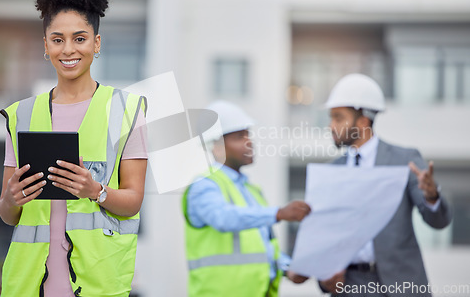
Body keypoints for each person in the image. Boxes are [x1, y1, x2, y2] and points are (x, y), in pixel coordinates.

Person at [0, 0, 148, 296]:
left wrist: (96, 190)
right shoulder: (21, 115)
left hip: (98, 283)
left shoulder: (126, 110)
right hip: (28, 283)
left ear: (96, 43)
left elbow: (134, 200)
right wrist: (11, 198)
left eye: (79, 39)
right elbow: (8, 214)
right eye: (58, 39)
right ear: (46, 45)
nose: (68, 50)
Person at [318, 73, 452, 297]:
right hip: (350, 288)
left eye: (338, 118)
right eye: (331, 118)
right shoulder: (332, 171)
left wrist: (431, 197)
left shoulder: (405, 160)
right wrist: (323, 277)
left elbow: (437, 221)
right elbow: (323, 235)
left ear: (362, 122)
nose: (331, 126)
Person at [182, 100, 311, 297]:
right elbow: (224, 218)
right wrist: (279, 213)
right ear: (216, 146)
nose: (249, 141)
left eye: (248, 134)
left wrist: (287, 268)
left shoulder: (251, 190)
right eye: (239, 137)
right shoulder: (203, 186)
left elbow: (263, 247)